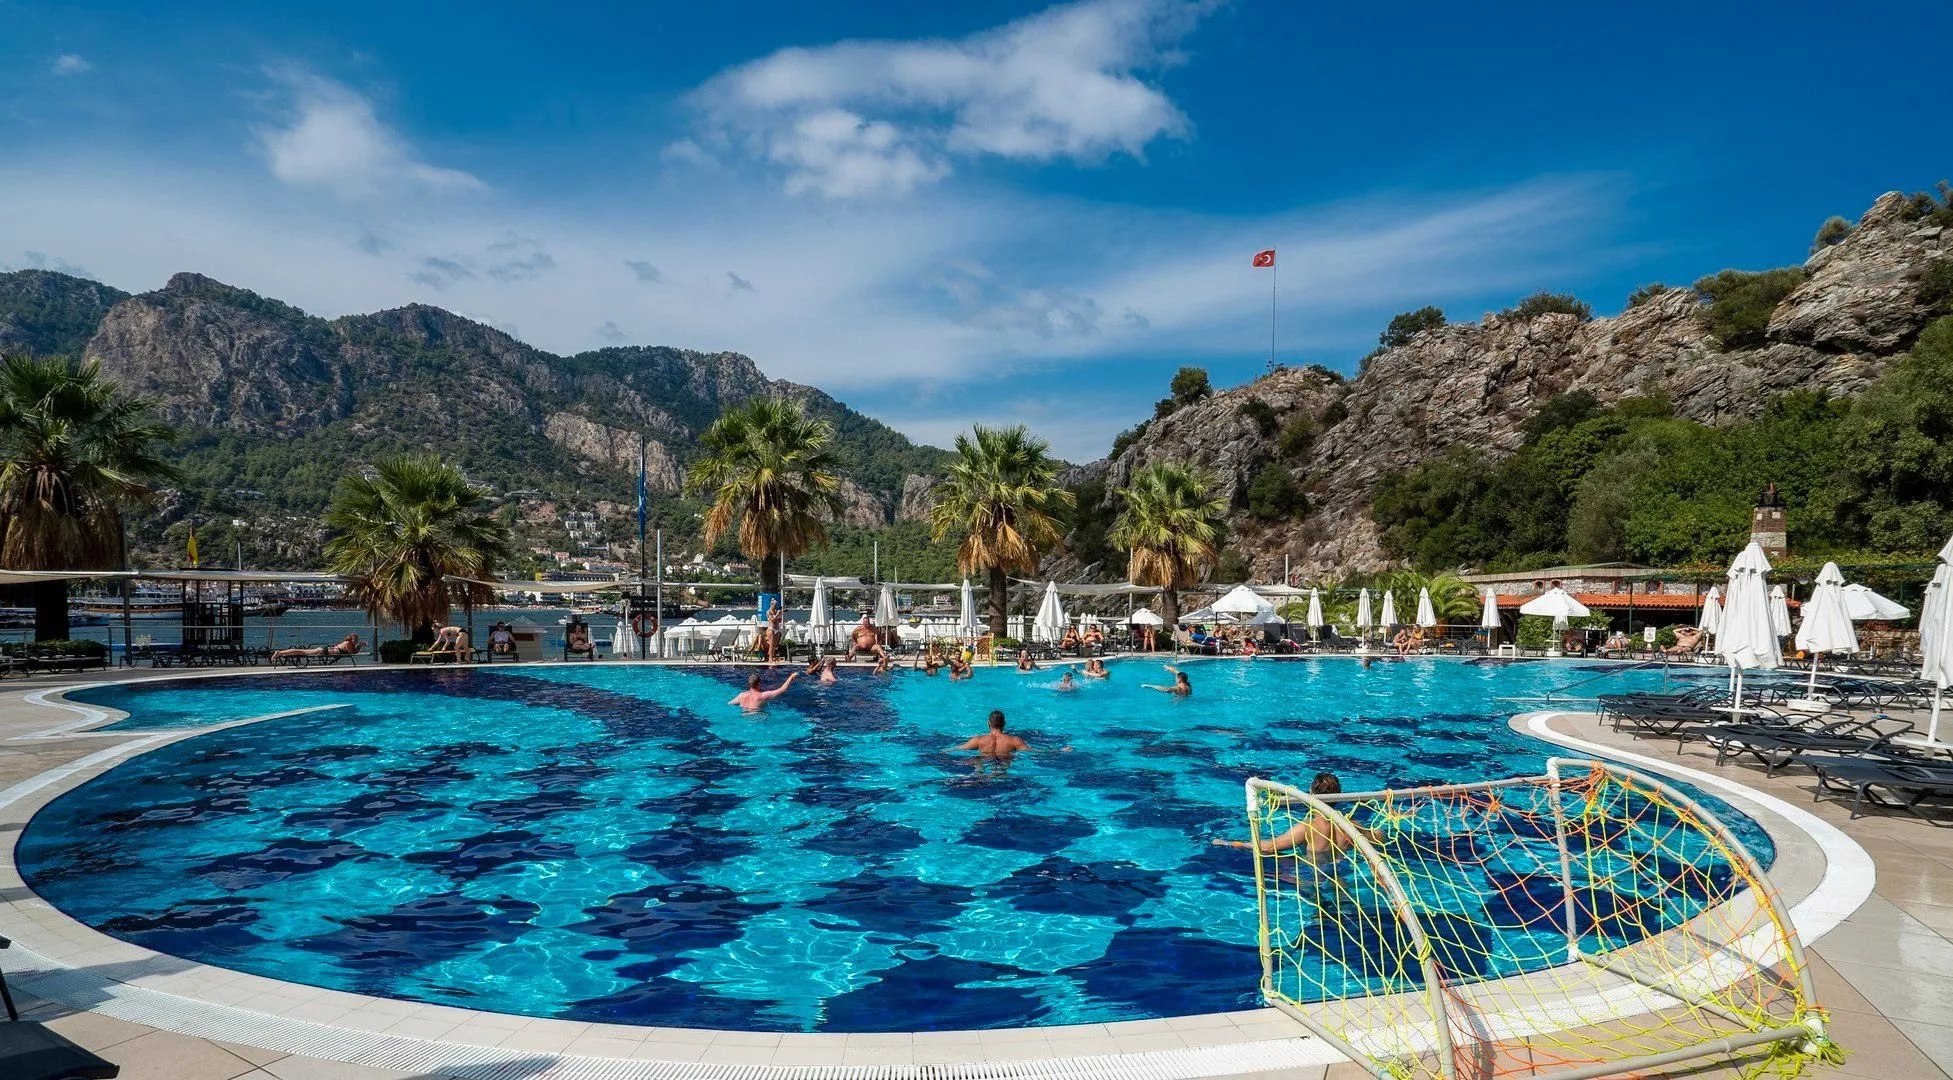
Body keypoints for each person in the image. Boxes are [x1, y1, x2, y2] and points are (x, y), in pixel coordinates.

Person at [1213, 773, 1376, 865]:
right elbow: (1378, 837)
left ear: (1311, 794)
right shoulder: (1351, 825)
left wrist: (1233, 844)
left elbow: (1270, 847)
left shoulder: (1309, 827)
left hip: (1315, 873)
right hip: (1342, 869)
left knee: (1282, 866)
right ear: (1339, 796)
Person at [730, 670, 799, 711]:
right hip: (758, 719)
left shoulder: (741, 695)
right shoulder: (762, 696)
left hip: (744, 718)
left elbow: (730, 703)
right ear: (759, 683)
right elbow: (783, 689)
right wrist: (791, 677)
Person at [274, 632, 363, 661]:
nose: (356, 641)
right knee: (302, 652)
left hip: (325, 650)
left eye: (357, 640)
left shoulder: (349, 644)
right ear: (351, 639)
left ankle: (281, 653)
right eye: (355, 640)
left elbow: (352, 653)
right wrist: (359, 646)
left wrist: (359, 646)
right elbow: (352, 653)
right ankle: (279, 653)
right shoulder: (348, 644)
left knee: (302, 652)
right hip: (324, 651)